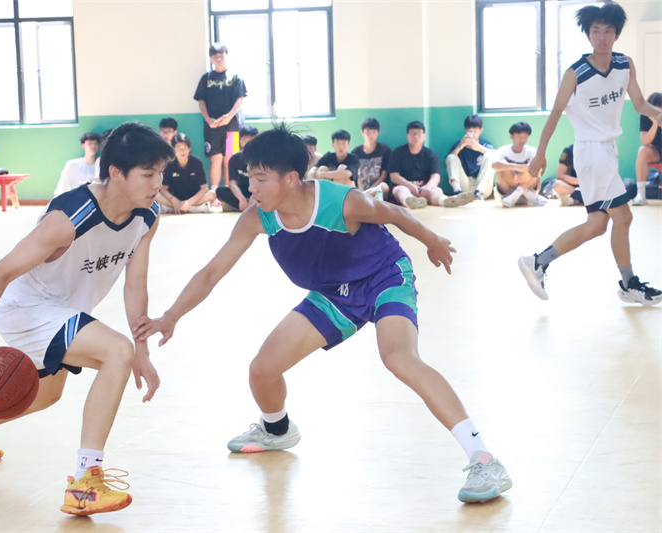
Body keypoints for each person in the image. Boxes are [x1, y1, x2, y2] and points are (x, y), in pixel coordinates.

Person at [134, 124, 512, 504]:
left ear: (291, 179)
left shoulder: (343, 202)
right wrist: (171, 315)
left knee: (399, 357)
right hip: (333, 294)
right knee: (262, 370)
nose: (252, 188)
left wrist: (432, 241)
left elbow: (395, 213)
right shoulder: (257, 217)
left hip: (383, 277)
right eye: (250, 178)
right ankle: (277, 429)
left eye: (261, 179)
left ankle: (483, 458)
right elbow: (212, 272)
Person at [0, 122, 173, 516]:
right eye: (147, 174)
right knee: (116, 352)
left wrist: (144, 351)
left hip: (65, 312)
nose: (157, 183)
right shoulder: (70, 217)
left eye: (160, 173)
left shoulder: (147, 217)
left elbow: (134, 286)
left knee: (42, 395)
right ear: (115, 172)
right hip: (27, 308)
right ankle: (85, 483)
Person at [520, 3, 662, 306]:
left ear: (616, 34)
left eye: (608, 31)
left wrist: (658, 115)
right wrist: (541, 153)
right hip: (590, 152)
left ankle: (538, 262)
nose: (602, 37)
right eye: (596, 31)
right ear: (588, 34)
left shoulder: (625, 64)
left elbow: (639, 103)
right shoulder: (576, 73)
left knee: (597, 225)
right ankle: (629, 285)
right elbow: (555, 115)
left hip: (608, 150)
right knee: (623, 216)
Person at [194, 43, 247, 190]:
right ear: (211, 58)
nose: (218, 59)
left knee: (229, 159)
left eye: (221, 56)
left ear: (226, 56)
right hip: (212, 127)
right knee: (216, 158)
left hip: (233, 126)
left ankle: (229, 192)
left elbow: (240, 99)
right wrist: (208, 119)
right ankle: (215, 193)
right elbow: (201, 101)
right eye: (215, 57)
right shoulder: (206, 78)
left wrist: (229, 116)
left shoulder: (236, 77)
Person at [388, 121, 474, 209]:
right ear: (407, 136)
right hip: (406, 186)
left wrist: (428, 187)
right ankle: (409, 201)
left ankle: (446, 201)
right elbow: (394, 176)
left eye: (419, 133)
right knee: (400, 190)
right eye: (413, 133)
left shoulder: (430, 154)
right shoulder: (397, 153)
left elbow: (436, 176)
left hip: (425, 188)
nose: (416, 136)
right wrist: (411, 186)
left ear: (424, 136)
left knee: (437, 190)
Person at [157, 133, 215, 214]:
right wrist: (173, 200)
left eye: (184, 148)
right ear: (173, 150)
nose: (182, 151)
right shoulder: (169, 164)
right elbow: (163, 189)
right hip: (175, 199)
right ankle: (190, 208)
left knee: (212, 194)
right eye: (178, 148)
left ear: (189, 149)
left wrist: (189, 202)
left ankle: (181, 208)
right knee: (156, 195)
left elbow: (204, 188)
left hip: (194, 199)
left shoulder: (196, 162)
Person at [493, 122, 547, 208]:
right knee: (502, 167)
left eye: (525, 137)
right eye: (518, 136)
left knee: (536, 168)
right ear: (511, 136)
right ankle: (521, 194)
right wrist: (516, 167)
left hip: (528, 190)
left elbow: (540, 168)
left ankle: (520, 191)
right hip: (507, 193)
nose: (522, 140)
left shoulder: (531, 151)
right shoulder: (503, 150)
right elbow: (494, 165)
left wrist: (525, 172)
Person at [445, 115, 496, 201]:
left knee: (490, 156)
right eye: (470, 131)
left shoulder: (485, 145)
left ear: (481, 131)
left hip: (483, 187)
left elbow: (498, 157)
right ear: (465, 130)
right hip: (465, 186)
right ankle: (457, 191)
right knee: (451, 157)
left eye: (475, 131)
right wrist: (460, 146)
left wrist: (479, 148)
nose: (472, 134)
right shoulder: (459, 144)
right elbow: (447, 161)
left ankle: (479, 192)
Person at [216, 125, 258, 212]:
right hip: (242, 192)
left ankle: (248, 205)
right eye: (245, 140)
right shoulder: (234, 159)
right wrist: (241, 198)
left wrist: (254, 197)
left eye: (251, 140)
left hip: (257, 191)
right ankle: (244, 205)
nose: (248, 143)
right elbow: (232, 183)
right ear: (240, 142)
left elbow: (264, 181)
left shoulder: (262, 159)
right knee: (220, 191)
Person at [633, 92, 662, 205]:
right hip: (656, 151)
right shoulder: (646, 116)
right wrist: (655, 124)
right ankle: (641, 194)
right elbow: (645, 141)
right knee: (642, 151)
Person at [351, 118, 391, 198]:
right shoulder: (355, 152)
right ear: (362, 133)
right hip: (360, 189)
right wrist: (362, 190)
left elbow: (384, 175)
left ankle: (364, 197)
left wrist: (372, 189)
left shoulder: (385, 150)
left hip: (378, 190)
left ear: (378, 133)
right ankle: (364, 196)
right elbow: (357, 176)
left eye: (374, 132)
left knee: (384, 186)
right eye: (368, 132)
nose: (371, 135)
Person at [53, 132, 102, 197]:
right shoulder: (73, 164)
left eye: (95, 143)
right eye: (90, 143)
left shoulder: (100, 165)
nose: (93, 146)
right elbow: (63, 187)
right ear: (83, 145)